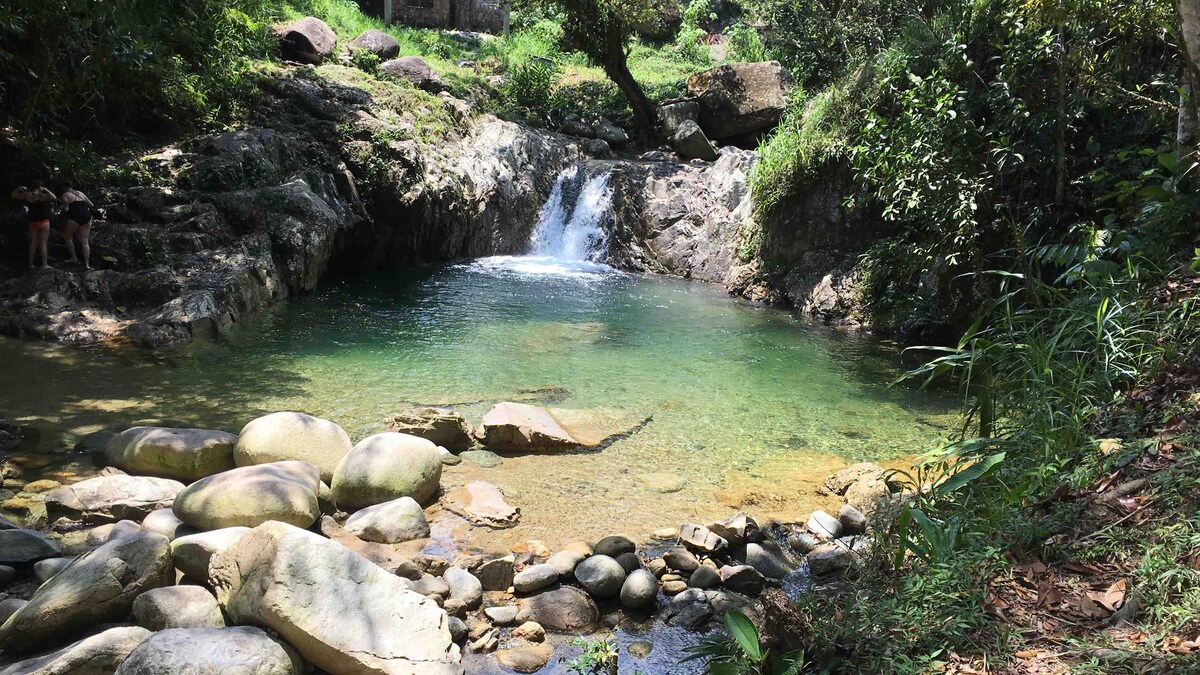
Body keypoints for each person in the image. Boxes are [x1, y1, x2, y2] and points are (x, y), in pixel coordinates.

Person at [10, 181, 56, 269]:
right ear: (39, 187)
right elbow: (53, 197)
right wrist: (45, 189)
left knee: (33, 243)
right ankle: (44, 264)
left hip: (32, 221)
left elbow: (13, 195)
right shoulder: (41, 195)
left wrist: (18, 189)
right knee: (43, 244)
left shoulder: (26, 195)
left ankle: (31, 264)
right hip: (43, 221)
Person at [60, 181, 95, 269]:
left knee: (67, 237)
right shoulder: (80, 193)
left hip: (75, 217)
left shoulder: (65, 195)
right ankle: (87, 265)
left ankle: (74, 257)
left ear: (64, 188)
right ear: (72, 186)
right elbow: (91, 205)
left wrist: (61, 211)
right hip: (86, 216)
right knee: (85, 241)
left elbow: (66, 209)